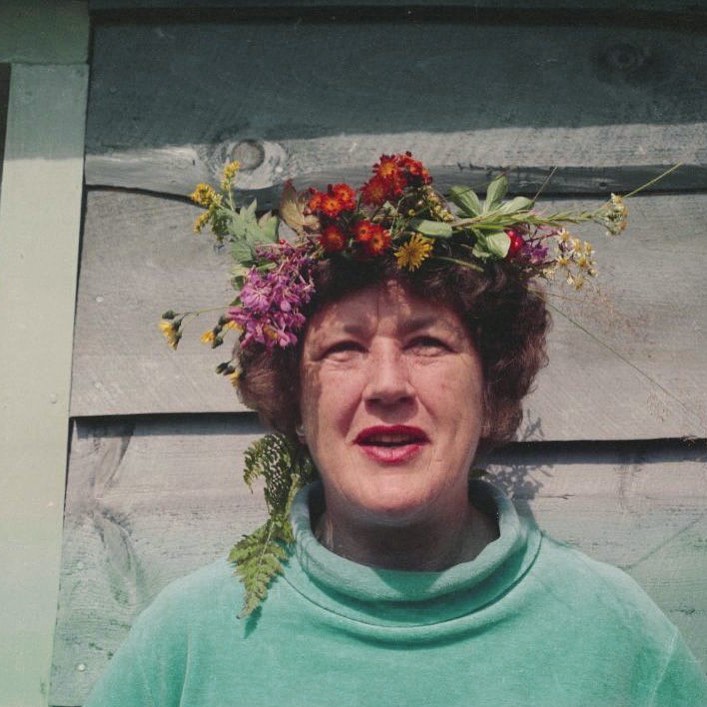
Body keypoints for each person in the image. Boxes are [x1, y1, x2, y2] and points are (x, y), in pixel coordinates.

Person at [87, 154, 707, 705]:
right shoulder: (188, 644)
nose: (387, 384)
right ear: (294, 404)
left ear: (492, 391)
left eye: (428, 343)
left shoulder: (617, 639)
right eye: (344, 349)